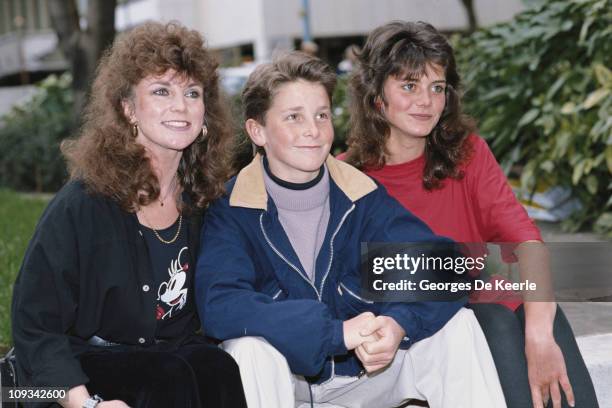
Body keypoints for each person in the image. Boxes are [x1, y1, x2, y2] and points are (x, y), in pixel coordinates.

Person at [195, 51, 506, 408]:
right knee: (247, 350)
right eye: (293, 117)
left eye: (321, 115)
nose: (312, 130)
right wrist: (332, 333)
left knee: (457, 327)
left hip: (367, 374)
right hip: (289, 382)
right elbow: (221, 304)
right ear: (258, 130)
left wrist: (399, 323)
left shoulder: (359, 194)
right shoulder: (232, 208)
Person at [343, 20, 598, 408]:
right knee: (492, 318)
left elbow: (527, 242)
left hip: (488, 302)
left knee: (536, 311)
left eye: (437, 87)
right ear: (377, 96)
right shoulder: (348, 177)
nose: (426, 101)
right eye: (409, 86)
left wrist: (540, 336)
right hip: (414, 329)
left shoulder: (469, 154)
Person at [11, 22, 247, 408]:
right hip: (70, 375)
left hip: (164, 357)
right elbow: (34, 326)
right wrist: (85, 404)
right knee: (164, 378)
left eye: (192, 92)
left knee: (215, 366)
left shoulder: (203, 201)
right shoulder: (84, 204)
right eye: (160, 91)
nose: (180, 105)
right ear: (127, 108)